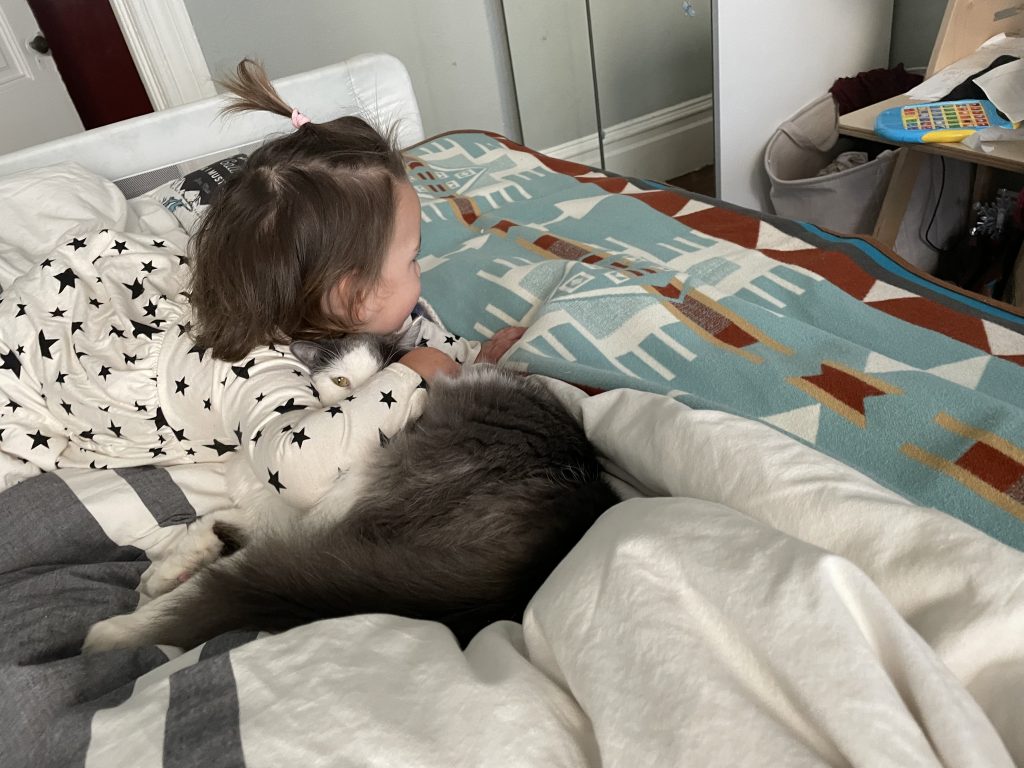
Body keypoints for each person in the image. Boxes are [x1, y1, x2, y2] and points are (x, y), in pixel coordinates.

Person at [0, 59, 523, 507]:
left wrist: (471, 362)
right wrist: (411, 377)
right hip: (40, 359)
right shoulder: (252, 370)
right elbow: (299, 468)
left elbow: (406, 336)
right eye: (413, 257)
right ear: (351, 294)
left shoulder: (328, 299)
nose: (420, 270)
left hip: (125, 289)